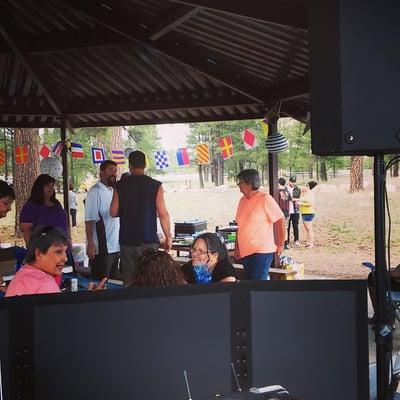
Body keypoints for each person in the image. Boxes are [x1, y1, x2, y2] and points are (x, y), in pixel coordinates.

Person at [110, 150, 172, 285]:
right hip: (149, 240)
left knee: (130, 282)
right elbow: (163, 214)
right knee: (151, 280)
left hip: (128, 241)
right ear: (145, 165)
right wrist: (168, 236)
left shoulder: (120, 186)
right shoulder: (156, 185)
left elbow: (113, 212)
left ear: (130, 165)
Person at [6, 226, 106, 297]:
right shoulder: (45, 283)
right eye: (58, 252)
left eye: (65, 252)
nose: (65, 258)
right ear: (39, 253)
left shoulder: (21, 273)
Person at [235, 169, 286, 280]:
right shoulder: (242, 201)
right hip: (245, 251)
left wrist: (281, 243)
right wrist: (237, 247)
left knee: (256, 285)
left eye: (240, 182)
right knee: (249, 283)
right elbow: (240, 227)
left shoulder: (265, 199)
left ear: (249, 183)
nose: (238, 186)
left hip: (262, 251)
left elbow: (281, 220)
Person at [85, 160, 120, 280]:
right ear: (102, 172)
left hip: (116, 245)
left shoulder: (114, 190)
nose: (114, 174)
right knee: (101, 282)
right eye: (110, 170)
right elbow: (89, 220)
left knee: (114, 282)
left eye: (115, 171)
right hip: (102, 247)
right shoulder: (95, 191)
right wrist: (90, 243)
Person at [20, 174, 69, 246]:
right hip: (45, 250)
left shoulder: (56, 203)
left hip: (64, 247)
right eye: (47, 185)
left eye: (52, 185)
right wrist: (33, 250)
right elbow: (27, 231)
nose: (51, 188)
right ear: (39, 187)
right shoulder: (30, 206)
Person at [299, 181, 318, 248]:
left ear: (308, 186)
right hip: (304, 212)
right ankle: (308, 242)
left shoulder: (310, 194)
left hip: (308, 212)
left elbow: (310, 204)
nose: (304, 187)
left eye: (305, 185)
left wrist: (300, 204)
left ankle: (311, 243)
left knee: (309, 229)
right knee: (307, 229)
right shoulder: (306, 193)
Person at [277, 177, 291, 250]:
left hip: (279, 212)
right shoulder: (287, 191)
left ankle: (279, 243)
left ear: (278, 183)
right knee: (285, 228)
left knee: (278, 228)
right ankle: (285, 243)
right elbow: (290, 200)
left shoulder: (277, 192)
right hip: (286, 212)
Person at [287, 176, 301, 246]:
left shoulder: (297, 189)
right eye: (292, 182)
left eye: (294, 182)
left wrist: (294, 199)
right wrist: (293, 199)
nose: (293, 183)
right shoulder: (285, 189)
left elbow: (299, 198)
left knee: (295, 225)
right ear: (289, 181)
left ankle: (296, 239)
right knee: (287, 226)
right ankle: (287, 240)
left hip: (295, 210)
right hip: (287, 210)